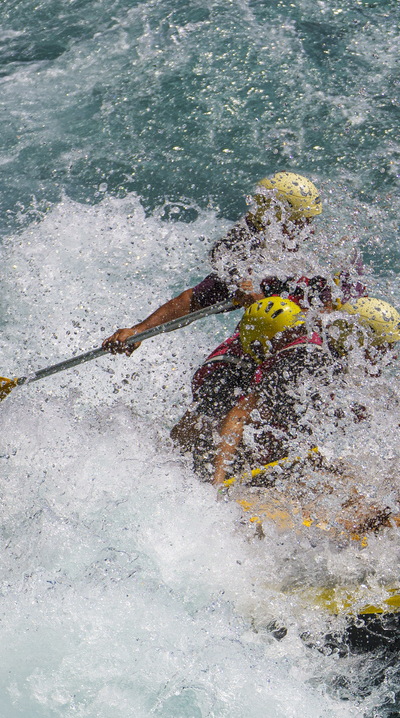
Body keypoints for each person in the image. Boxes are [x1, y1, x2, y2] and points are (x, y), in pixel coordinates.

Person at [102, 172, 357, 354]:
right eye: (301, 223)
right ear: (273, 220)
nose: (310, 232)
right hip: (269, 346)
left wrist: (264, 304)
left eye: (309, 222)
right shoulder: (252, 262)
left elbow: (334, 320)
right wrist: (140, 331)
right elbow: (192, 301)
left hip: (318, 349)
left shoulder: (328, 260)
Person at [192, 296, 326, 485]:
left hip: (267, 426)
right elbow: (236, 418)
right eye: (290, 336)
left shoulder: (299, 351)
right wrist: (217, 481)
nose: (299, 340)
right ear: (262, 344)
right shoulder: (226, 372)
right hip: (219, 444)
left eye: (299, 331)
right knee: (208, 425)